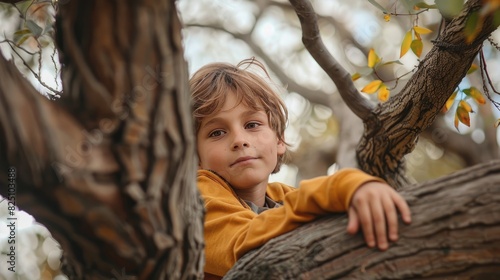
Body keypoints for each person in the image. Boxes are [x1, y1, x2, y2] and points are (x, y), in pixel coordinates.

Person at [190, 57, 411, 279]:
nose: (239, 140)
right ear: (195, 156)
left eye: (252, 125)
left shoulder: (282, 197)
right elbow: (243, 243)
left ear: (279, 140)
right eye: (217, 132)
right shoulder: (194, 199)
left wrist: (360, 191)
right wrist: (341, 186)